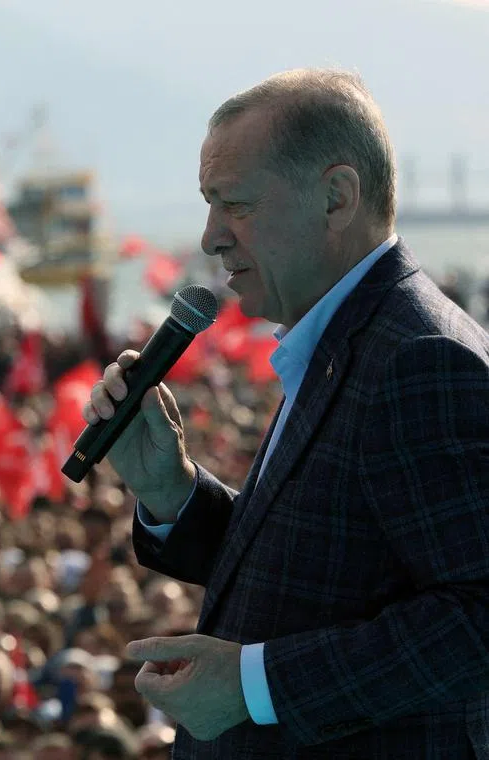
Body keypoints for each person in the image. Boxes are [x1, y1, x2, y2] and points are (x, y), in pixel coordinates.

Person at [83, 68, 489, 758]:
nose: (211, 237)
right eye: (209, 204)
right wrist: (171, 492)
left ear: (336, 197)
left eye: (234, 204)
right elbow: (322, 571)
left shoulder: (418, 358)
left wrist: (254, 685)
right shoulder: (353, 339)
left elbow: (477, 617)